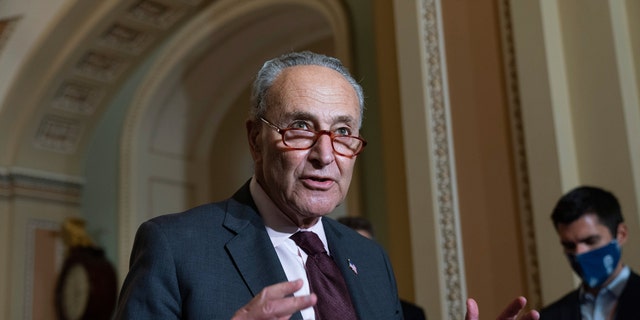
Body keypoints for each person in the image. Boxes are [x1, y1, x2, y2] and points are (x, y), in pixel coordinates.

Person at [115, 51, 539, 320]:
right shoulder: (175, 246)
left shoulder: (369, 259)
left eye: (342, 132)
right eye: (300, 128)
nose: (325, 154)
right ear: (255, 140)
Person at [540, 186, 640, 319]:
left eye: (590, 241)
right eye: (569, 245)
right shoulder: (549, 316)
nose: (579, 253)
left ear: (621, 234)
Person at [338, 216, 427, 320]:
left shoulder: (411, 313)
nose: (362, 258)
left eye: (366, 249)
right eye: (353, 250)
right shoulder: (325, 307)